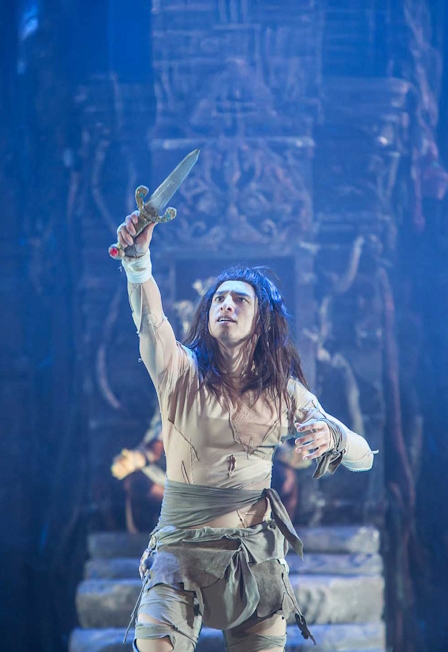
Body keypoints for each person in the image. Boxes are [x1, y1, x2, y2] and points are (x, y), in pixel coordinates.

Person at [116, 213, 376, 652]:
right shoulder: (179, 372)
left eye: (239, 299)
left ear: (262, 322)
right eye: (219, 299)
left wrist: (334, 436)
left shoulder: (283, 392)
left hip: (253, 560)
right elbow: (150, 319)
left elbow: (364, 457)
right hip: (179, 554)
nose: (226, 305)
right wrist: (138, 262)